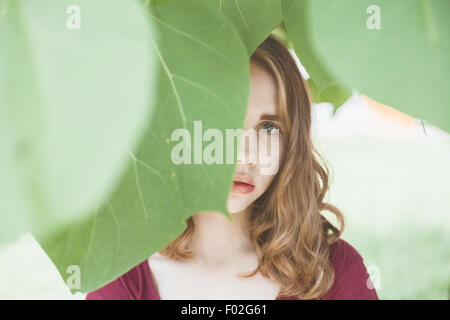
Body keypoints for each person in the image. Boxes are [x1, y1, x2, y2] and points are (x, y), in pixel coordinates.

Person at [86, 35, 378, 300]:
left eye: (268, 127)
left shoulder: (334, 272)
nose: (245, 156)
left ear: (291, 144)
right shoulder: (121, 275)